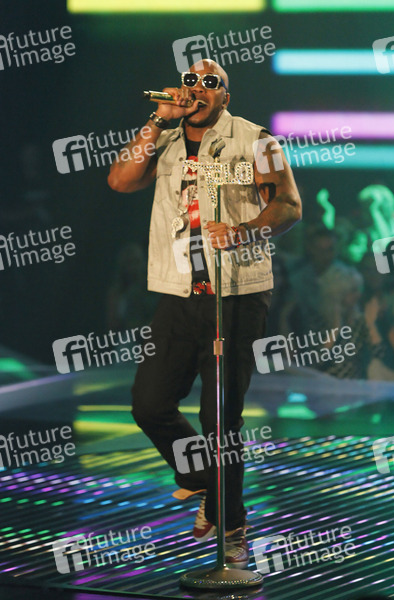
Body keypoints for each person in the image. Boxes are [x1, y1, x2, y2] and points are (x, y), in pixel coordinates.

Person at [108, 59, 301, 568]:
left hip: (235, 293)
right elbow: (120, 180)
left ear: (225, 98)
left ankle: (232, 528)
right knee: (149, 404)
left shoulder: (255, 139)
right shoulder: (166, 139)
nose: (197, 88)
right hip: (177, 292)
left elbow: (288, 205)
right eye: (190, 80)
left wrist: (243, 232)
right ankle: (204, 481)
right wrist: (158, 120)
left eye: (211, 83)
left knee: (220, 419)